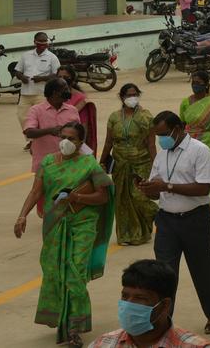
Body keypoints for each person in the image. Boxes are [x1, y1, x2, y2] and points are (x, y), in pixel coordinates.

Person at [13, 120, 112, 347]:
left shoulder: (89, 164)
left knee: (75, 273)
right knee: (55, 272)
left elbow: (103, 196)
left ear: (81, 142)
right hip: (55, 224)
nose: (66, 142)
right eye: (63, 137)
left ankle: (75, 326)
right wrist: (22, 216)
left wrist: (77, 198)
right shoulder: (48, 162)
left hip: (83, 224)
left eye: (72, 138)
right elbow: (36, 191)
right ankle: (62, 318)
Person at [136, 112, 210, 335]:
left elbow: (204, 187)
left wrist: (167, 186)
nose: (161, 139)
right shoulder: (162, 155)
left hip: (195, 220)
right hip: (167, 221)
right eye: (158, 135)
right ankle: (163, 322)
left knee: (202, 270)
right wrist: (148, 189)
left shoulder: (200, 151)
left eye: (164, 134)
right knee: (163, 275)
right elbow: (157, 190)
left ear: (178, 128)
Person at [88, 259, 210, 348]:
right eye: (125, 296)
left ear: (165, 305)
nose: (128, 305)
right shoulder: (102, 344)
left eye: (140, 298)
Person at [99, 84, 157, 247]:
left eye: (135, 94)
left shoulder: (146, 117)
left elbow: (151, 144)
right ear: (121, 97)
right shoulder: (114, 117)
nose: (132, 98)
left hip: (141, 162)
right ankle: (127, 235)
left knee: (139, 196)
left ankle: (156, 218)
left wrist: (157, 165)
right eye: (129, 95)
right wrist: (102, 161)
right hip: (120, 163)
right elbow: (108, 142)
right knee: (122, 198)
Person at [179, 72, 210, 219]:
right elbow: (182, 125)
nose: (195, 85)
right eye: (193, 82)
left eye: (198, 83)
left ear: (206, 84)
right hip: (190, 141)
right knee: (190, 173)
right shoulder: (185, 102)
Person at [24, 79, 81, 178]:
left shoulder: (72, 110)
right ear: (55, 93)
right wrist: (49, 131)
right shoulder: (36, 110)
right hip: (46, 164)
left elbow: (79, 134)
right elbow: (29, 132)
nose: (68, 92)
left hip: (69, 162)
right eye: (65, 89)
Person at [15, 32, 61, 127]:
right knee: (23, 117)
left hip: (42, 94)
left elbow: (57, 75)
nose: (43, 43)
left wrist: (42, 78)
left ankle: (40, 135)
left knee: (42, 118)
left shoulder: (52, 57)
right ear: (35, 42)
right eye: (40, 41)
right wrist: (22, 77)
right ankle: (30, 135)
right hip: (25, 94)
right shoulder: (26, 55)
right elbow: (18, 71)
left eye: (45, 41)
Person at [59, 65, 98, 153]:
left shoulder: (80, 99)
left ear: (72, 79)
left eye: (65, 77)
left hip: (72, 142)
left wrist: (80, 144)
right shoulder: (53, 97)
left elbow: (83, 125)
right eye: (59, 77)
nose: (62, 80)